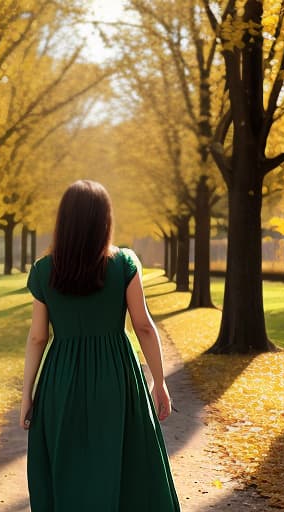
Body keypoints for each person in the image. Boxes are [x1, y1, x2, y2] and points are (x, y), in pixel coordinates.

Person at [20, 180, 180, 511]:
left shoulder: (43, 270)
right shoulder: (124, 263)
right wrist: (160, 382)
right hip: (117, 375)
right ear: (104, 220)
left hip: (60, 379)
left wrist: (27, 395)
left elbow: (38, 336)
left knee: (68, 465)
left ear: (63, 221)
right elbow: (143, 327)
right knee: (125, 463)